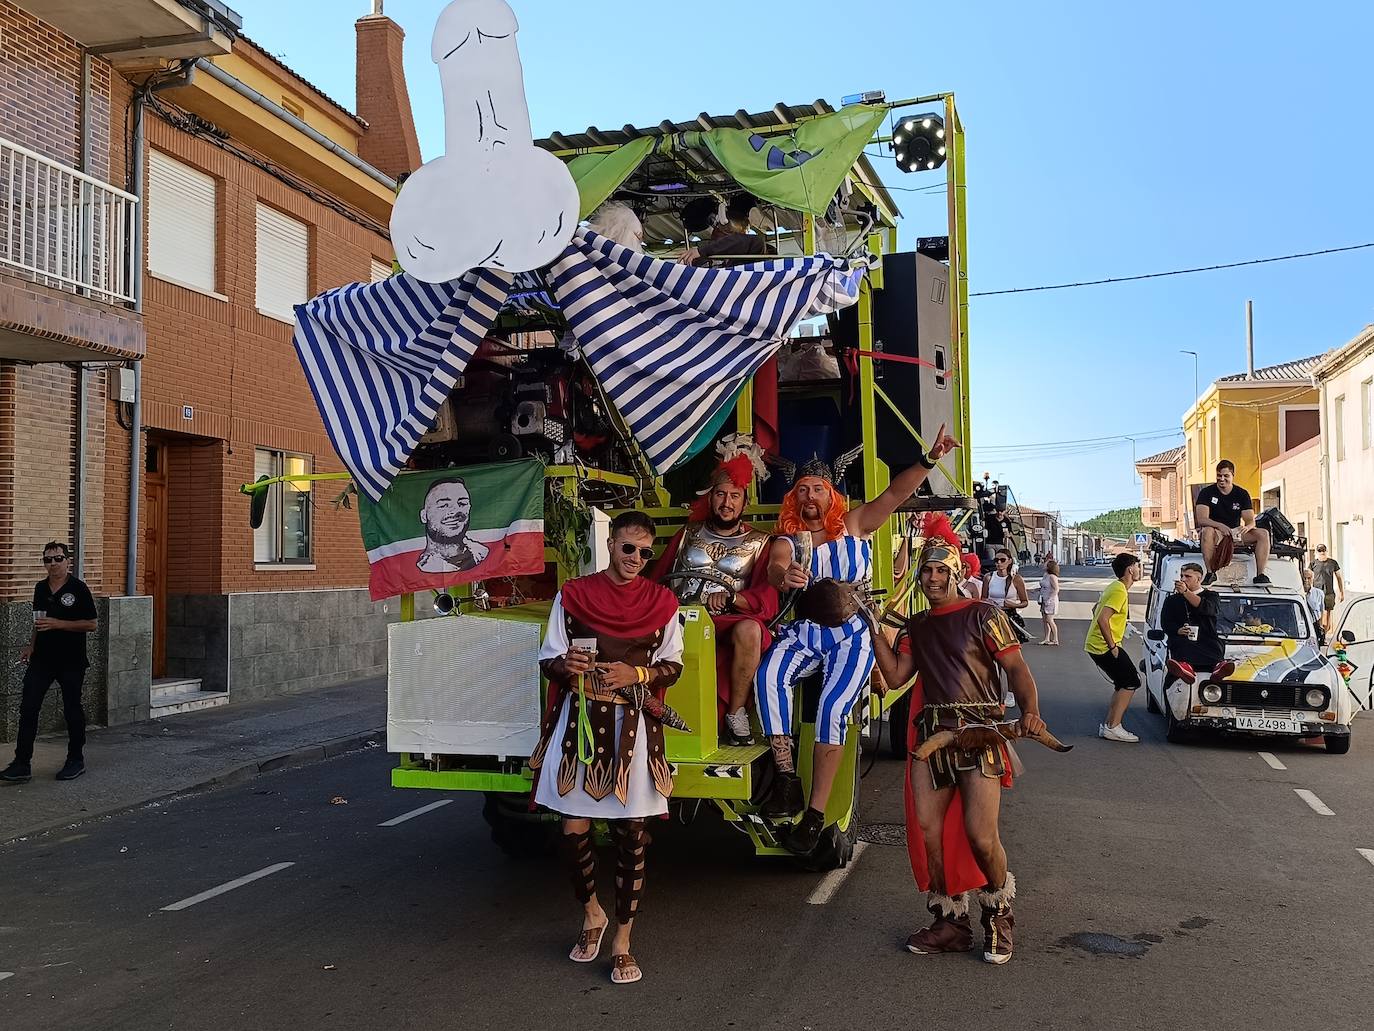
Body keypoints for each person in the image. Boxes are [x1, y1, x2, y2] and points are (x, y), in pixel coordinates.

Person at [755, 426, 961, 853]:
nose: (810, 496)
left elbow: (894, 496)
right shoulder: (788, 540)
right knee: (769, 673)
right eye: (802, 490)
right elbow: (776, 567)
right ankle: (785, 774)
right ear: (793, 499)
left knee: (832, 708)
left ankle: (814, 815)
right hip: (808, 629)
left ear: (831, 495)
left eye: (818, 488)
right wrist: (784, 575)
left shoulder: (855, 524)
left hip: (853, 632)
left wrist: (929, 459)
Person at [868, 519, 1046, 965]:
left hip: (979, 736)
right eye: (926, 572)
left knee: (981, 836)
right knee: (930, 834)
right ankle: (951, 923)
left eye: (940, 571)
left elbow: (1017, 669)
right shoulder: (917, 625)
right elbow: (895, 677)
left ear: (954, 573)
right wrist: (873, 629)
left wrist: (1029, 711)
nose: (932, 579)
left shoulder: (983, 613)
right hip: (932, 739)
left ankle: (999, 913)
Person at [528, 511, 683, 986]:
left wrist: (635, 675)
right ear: (611, 544)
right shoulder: (573, 595)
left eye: (644, 551)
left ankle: (623, 940)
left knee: (631, 837)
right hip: (579, 726)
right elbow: (548, 658)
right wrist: (566, 663)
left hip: (633, 727)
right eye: (627, 547)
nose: (635, 558)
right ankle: (591, 912)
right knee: (573, 832)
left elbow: (671, 664)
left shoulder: (663, 601)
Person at [649, 435, 778, 744]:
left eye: (734, 496)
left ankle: (736, 714)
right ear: (710, 498)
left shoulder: (760, 542)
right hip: (680, 617)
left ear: (744, 502)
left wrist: (734, 597)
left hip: (726, 620)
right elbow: (658, 578)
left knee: (751, 631)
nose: (726, 503)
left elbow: (767, 596)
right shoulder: (687, 533)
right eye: (721, 494)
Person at [1, 543, 98, 784]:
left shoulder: (78, 588)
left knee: (72, 709)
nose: (53, 564)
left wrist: (60, 624)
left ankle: (75, 759)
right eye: (48, 560)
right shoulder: (40, 588)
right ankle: (22, 763)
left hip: (71, 660)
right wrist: (31, 646)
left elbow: (91, 624)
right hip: (42, 659)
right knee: (28, 708)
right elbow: (39, 622)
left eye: (58, 559)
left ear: (68, 561)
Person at [1085, 553, 1143, 743]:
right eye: (1137, 565)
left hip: (1097, 644)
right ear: (1130, 570)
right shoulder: (1119, 590)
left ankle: (1109, 725)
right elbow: (1102, 618)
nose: (1139, 569)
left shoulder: (1115, 586)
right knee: (1131, 681)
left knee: (1122, 682)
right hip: (1104, 646)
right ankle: (1114, 727)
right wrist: (1113, 646)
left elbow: (1096, 610)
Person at [1194, 459, 1270, 585]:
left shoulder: (1242, 494)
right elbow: (1202, 519)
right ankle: (1210, 573)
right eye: (1219, 475)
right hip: (1216, 532)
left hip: (1235, 532)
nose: (1222, 479)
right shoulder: (1206, 493)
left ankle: (1260, 575)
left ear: (1232, 476)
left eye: (1226, 476)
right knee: (1207, 530)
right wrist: (1220, 526)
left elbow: (1250, 520)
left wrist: (1248, 527)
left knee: (1263, 534)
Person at [1160, 562, 1234, 690]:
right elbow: (1166, 622)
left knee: (1217, 644)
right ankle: (1184, 668)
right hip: (1183, 641)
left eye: (1188, 576)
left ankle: (1217, 669)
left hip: (1206, 640)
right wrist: (1178, 630)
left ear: (1199, 579)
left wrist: (1186, 592)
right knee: (1181, 646)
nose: (1183, 579)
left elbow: (1207, 609)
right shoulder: (1172, 600)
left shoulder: (1211, 596)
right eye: (1182, 576)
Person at [416, 478, 489, 573]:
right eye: (444, 505)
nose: (455, 511)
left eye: (462, 503)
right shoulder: (424, 566)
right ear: (424, 516)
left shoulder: (483, 553)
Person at [983, 547, 1031, 642]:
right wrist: (989, 603)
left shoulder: (1016, 579)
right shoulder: (988, 577)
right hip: (992, 615)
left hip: (1010, 615)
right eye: (996, 560)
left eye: (1002, 560)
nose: (999, 563)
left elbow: (1025, 602)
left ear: (1009, 561)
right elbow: (983, 598)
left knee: (1012, 647)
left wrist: (1014, 605)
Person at [1309, 544, 1344, 633]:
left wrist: (1341, 592)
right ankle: (1319, 631)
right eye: (1320, 551)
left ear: (1326, 551)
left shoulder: (1333, 563)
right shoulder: (1313, 563)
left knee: (1328, 612)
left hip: (1329, 592)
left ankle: (1325, 631)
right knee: (1318, 612)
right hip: (1317, 592)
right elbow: (1308, 576)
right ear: (1317, 552)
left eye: (1323, 550)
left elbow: (1339, 577)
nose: (1322, 552)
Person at [1038, 559, 1061, 646]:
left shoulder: (1052, 577)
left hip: (1050, 601)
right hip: (1043, 599)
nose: (1044, 564)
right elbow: (1044, 587)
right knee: (1044, 620)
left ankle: (1055, 639)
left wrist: (1050, 599)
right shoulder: (1045, 575)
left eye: (1046, 564)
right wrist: (1035, 590)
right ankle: (1046, 638)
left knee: (1049, 619)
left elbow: (1056, 589)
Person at [1302, 569, 1326, 643]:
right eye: (1304, 578)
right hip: (1302, 626)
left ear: (1312, 579)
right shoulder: (1297, 593)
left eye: (1308, 578)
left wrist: (1321, 625)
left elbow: (1322, 610)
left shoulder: (1319, 593)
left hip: (1314, 625)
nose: (1306, 580)